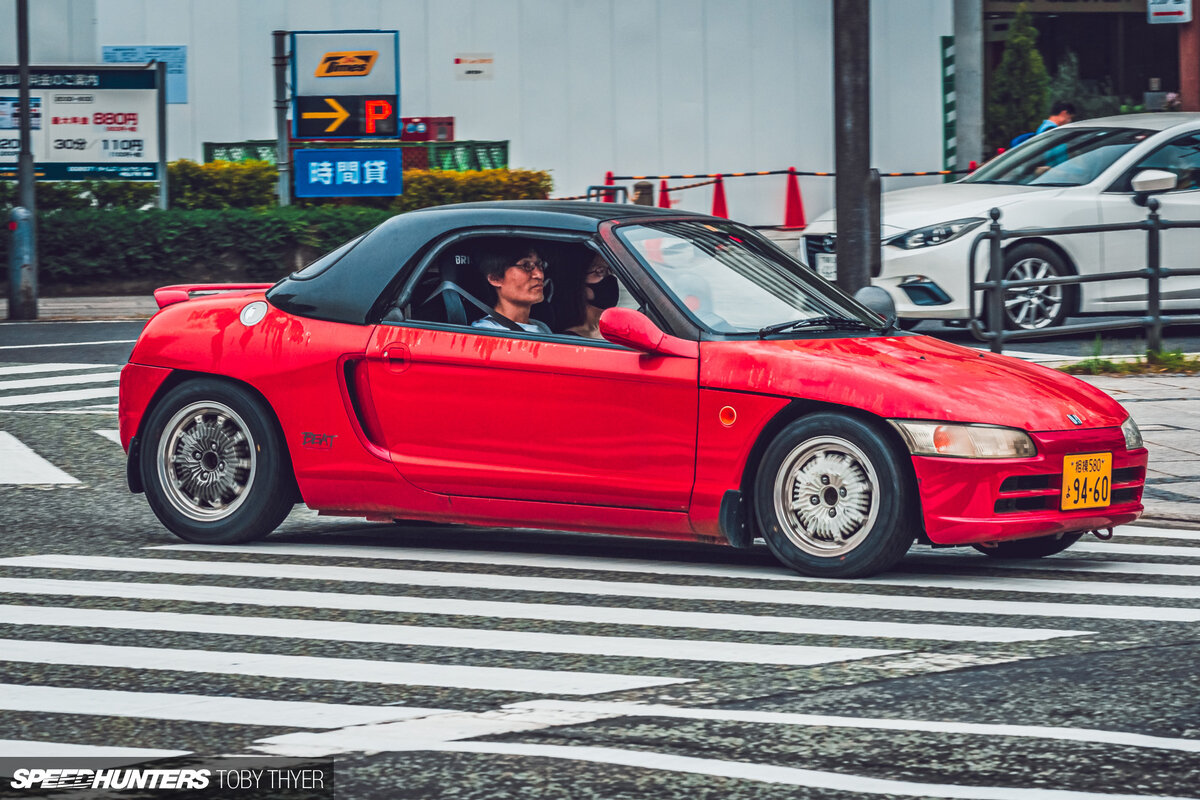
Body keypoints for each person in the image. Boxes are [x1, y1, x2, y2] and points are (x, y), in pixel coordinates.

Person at [471, 244, 553, 333]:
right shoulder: (486, 332)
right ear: (495, 278)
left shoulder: (541, 327)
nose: (539, 275)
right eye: (526, 266)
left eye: (540, 265)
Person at [562, 253, 620, 338]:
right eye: (600, 271)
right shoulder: (569, 339)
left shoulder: (619, 331)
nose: (609, 278)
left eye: (610, 270)